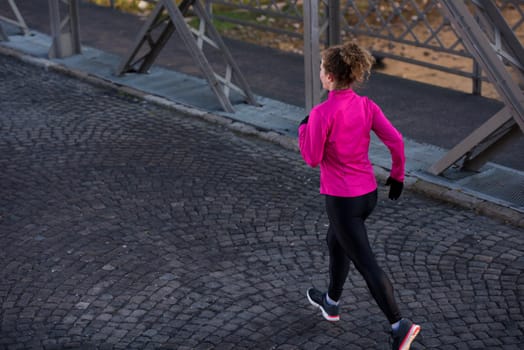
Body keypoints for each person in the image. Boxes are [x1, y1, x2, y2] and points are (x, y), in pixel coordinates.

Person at [298, 42, 421, 350]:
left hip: (342, 201)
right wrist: (397, 175)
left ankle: (398, 325)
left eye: (322, 70)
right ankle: (331, 302)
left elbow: (311, 157)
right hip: (367, 196)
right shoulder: (366, 106)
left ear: (328, 76)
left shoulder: (321, 113)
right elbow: (396, 140)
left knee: (366, 263)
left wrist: (303, 129)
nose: (321, 74)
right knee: (334, 242)